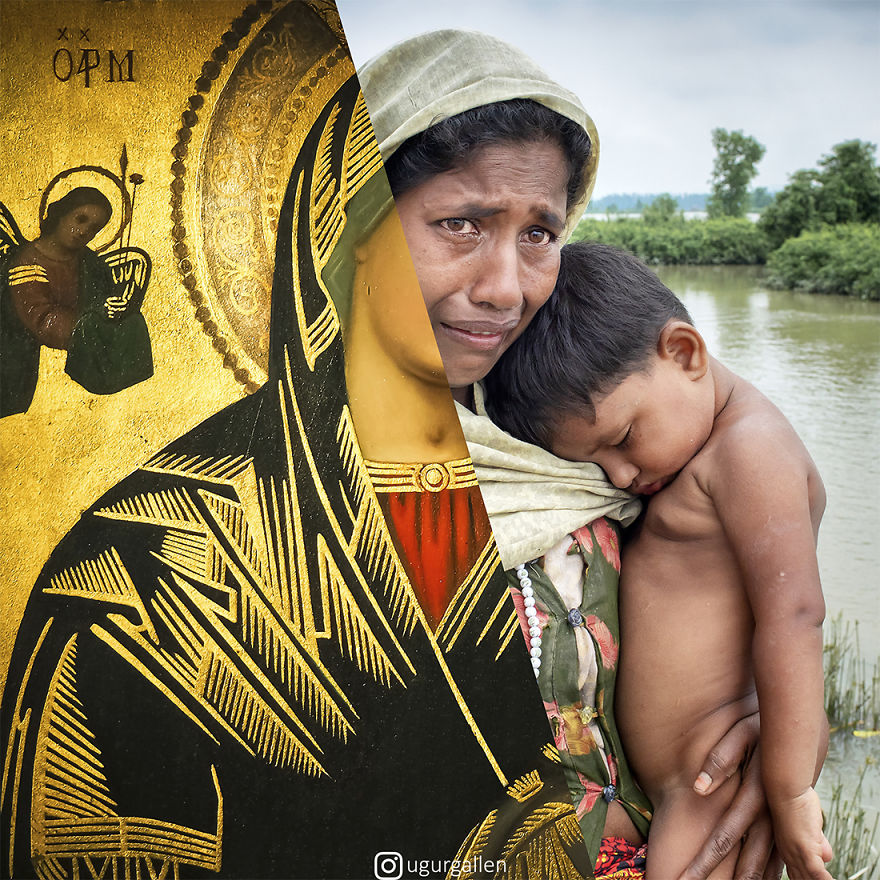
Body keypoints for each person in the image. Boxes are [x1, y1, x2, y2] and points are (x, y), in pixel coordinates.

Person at [360, 28, 802, 880]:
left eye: (539, 234)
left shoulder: (548, 411)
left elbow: (735, 496)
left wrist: (748, 718)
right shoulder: (269, 471)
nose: (506, 288)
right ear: (355, 220)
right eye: (461, 224)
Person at [485, 241, 831, 879]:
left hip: (711, 774)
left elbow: (796, 614)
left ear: (685, 353)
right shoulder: (693, 450)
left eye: (622, 439)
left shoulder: (752, 449)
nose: (619, 475)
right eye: (594, 464)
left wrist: (789, 790)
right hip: (677, 781)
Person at [0, 186, 153, 418]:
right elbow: (42, 318)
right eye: (80, 219)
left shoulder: (89, 262)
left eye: (93, 229)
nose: (83, 231)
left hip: (84, 334)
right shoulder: (28, 262)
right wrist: (91, 317)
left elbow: (104, 294)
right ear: (61, 214)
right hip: (21, 364)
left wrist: (116, 307)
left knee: (133, 322)